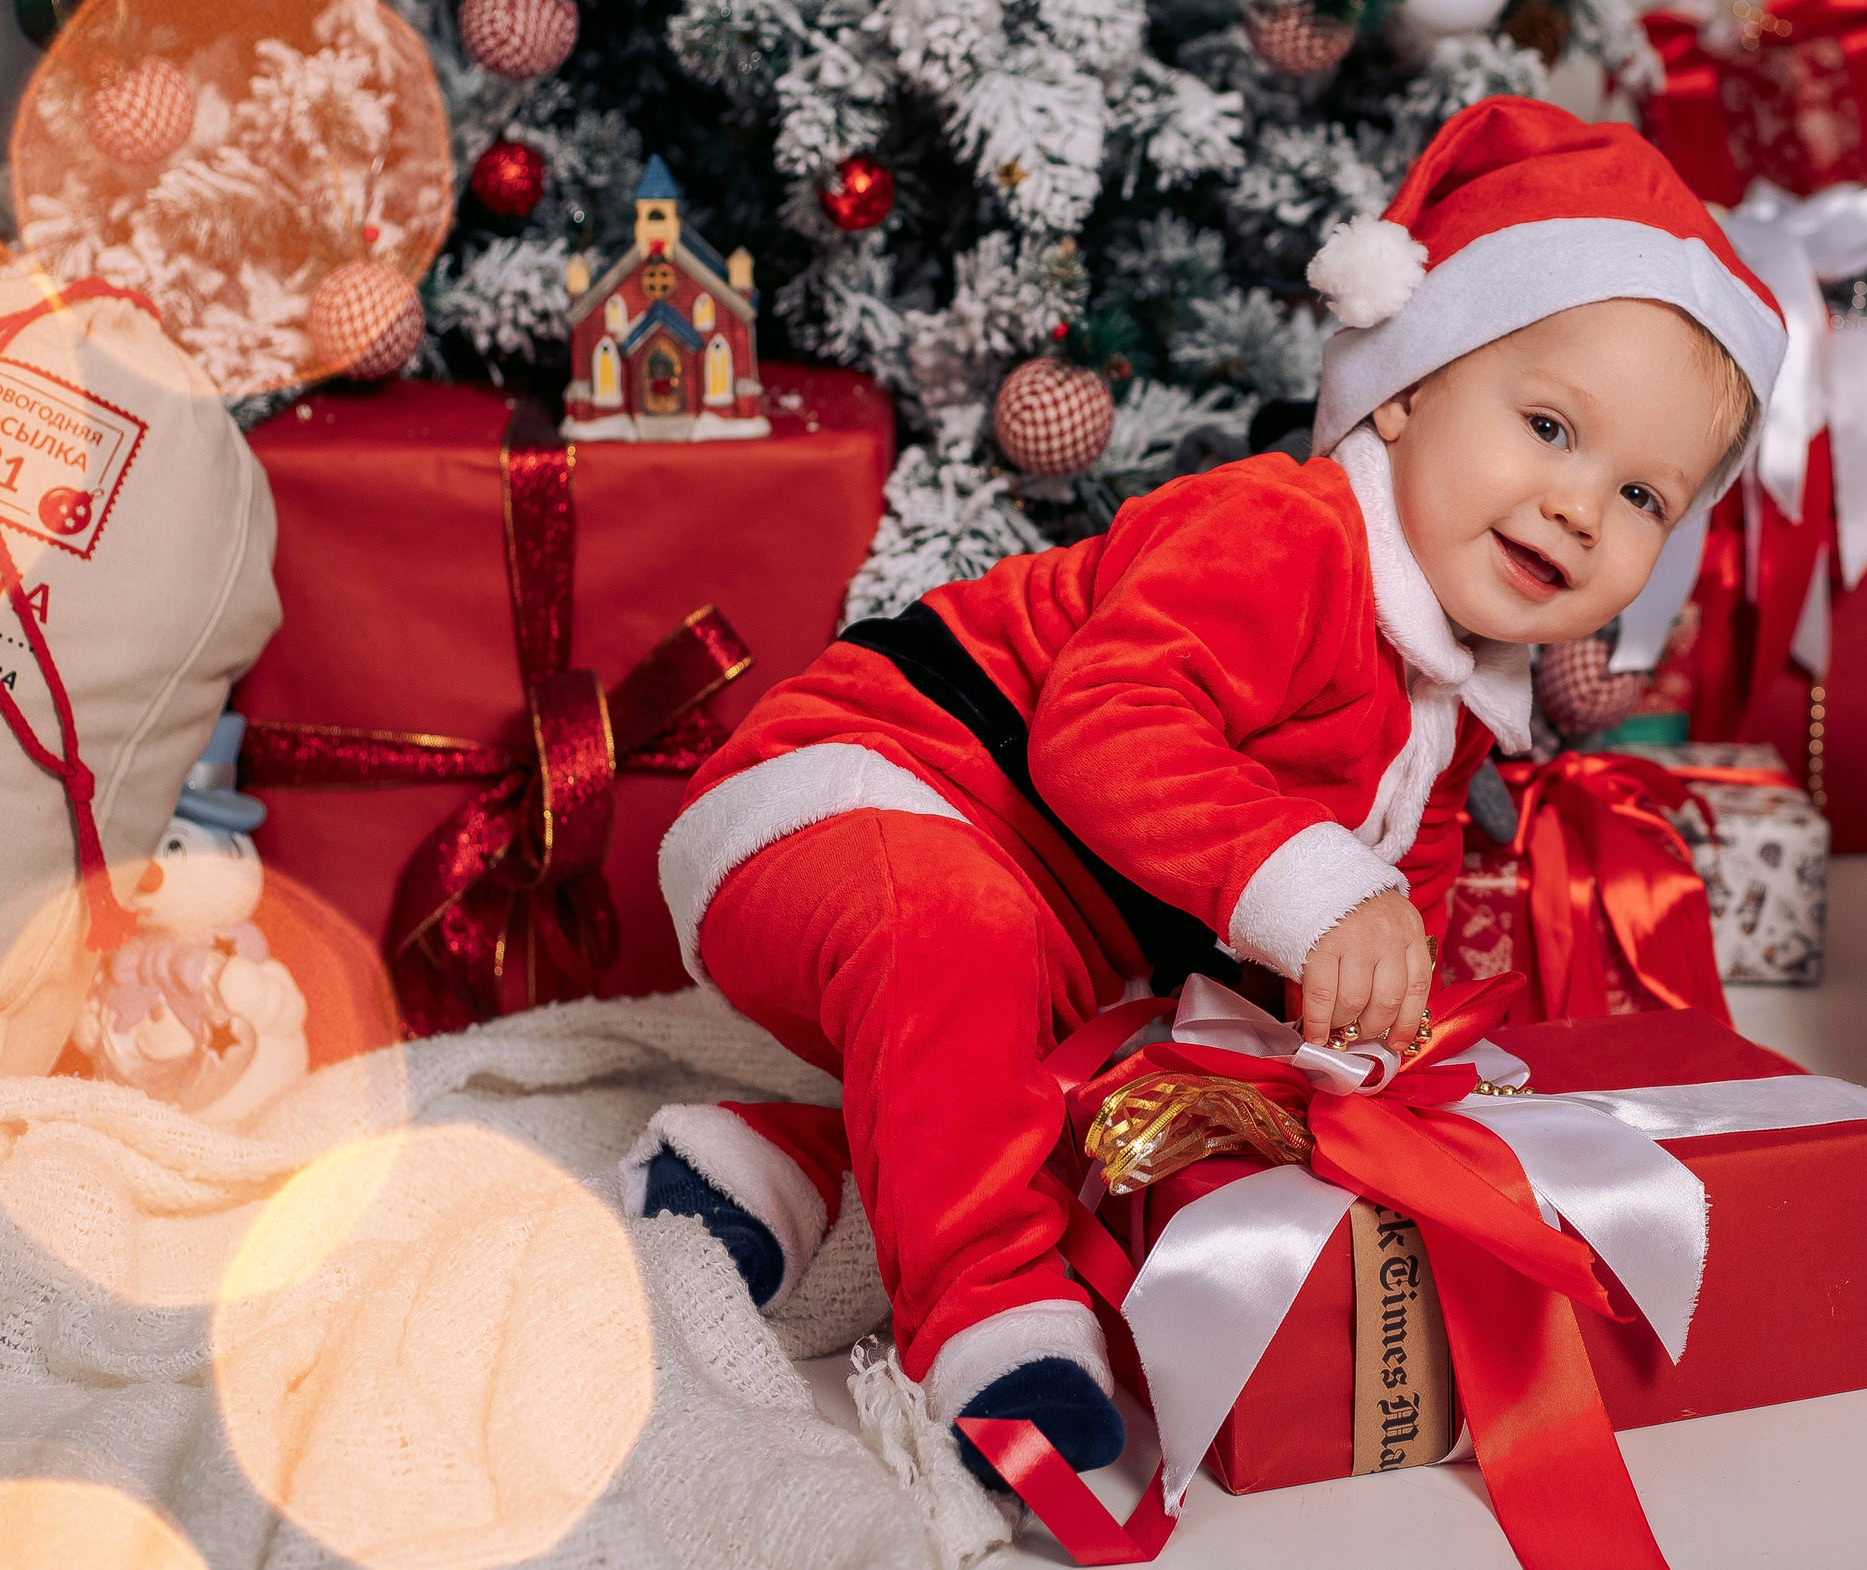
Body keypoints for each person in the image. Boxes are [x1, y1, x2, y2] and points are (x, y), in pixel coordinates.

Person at [620, 96, 1787, 1487]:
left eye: (1648, 497)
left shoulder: (1455, 697)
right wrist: (1325, 897)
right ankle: (990, 1329)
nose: (1583, 507)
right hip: (867, 789)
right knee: (954, 936)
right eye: (1547, 425)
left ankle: (759, 1167)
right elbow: (1107, 733)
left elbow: (1385, 903)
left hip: (1058, 923)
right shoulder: (1284, 533)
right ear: (1406, 386)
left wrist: (1373, 1056)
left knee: (1129, 1092)